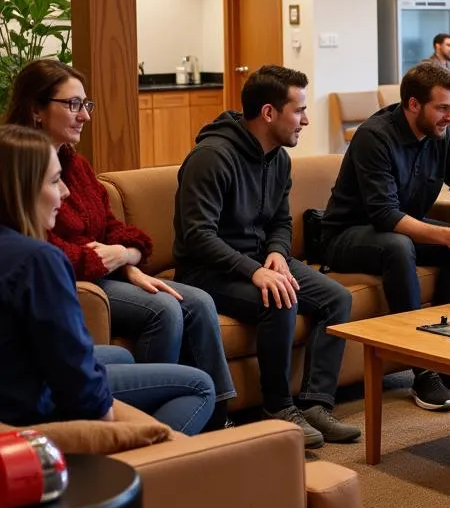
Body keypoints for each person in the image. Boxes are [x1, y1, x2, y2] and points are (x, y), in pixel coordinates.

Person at [4, 58, 235, 431]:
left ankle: (219, 417)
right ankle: (153, 425)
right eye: (73, 105)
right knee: (165, 310)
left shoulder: (74, 165)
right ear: (36, 110)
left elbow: (118, 229)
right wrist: (107, 260)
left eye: (86, 105)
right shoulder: (16, 173)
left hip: (105, 270)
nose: (84, 116)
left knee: (196, 300)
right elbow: (48, 252)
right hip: (83, 280)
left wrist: (126, 257)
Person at [173, 66, 359, 449]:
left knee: (337, 298)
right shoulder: (211, 157)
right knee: (279, 300)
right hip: (207, 269)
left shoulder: (279, 158)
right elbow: (197, 237)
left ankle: (315, 403)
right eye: (299, 110)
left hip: (261, 259)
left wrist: (276, 252)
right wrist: (255, 271)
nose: (306, 120)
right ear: (269, 113)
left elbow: (279, 220)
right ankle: (277, 406)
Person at [321, 62, 450, 412]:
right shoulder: (375, 136)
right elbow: (385, 215)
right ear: (414, 105)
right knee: (401, 246)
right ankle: (423, 368)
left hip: (400, 229)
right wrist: (447, 235)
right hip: (347, 236)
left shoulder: (441, 136)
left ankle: (443, 355)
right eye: (443, 108)